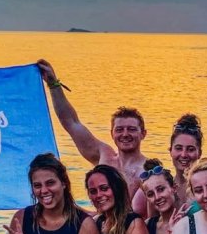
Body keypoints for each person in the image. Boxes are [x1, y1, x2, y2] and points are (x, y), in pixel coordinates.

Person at [36, 58, 150, 197]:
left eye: (131, 129)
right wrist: (53, 85)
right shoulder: (103, 155)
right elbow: (71, 123)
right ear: (112, 133)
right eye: (119, 130)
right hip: (100, 217)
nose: (125, 134)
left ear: (143, 134)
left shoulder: (148, 170)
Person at [140, 161, 181, 234]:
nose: (157, 197)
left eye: (161, 189)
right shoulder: (147, 226)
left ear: (174, 188)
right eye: (150, 194)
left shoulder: (188, 223)